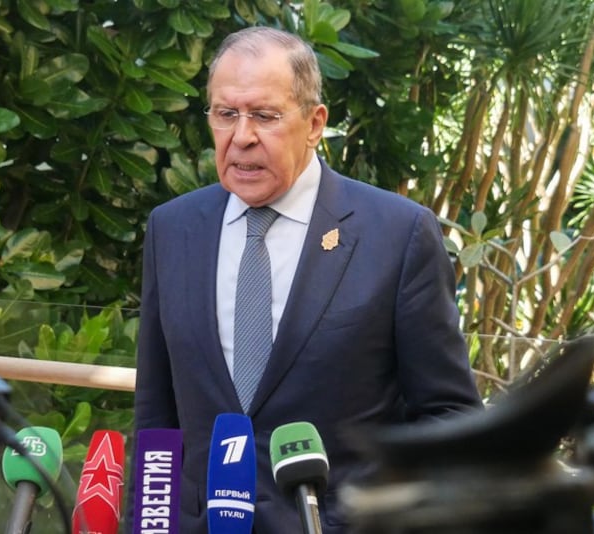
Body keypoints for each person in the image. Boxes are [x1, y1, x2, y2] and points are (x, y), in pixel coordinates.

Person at [126, 26, 482, 533]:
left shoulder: (397, 233)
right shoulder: (174, 227)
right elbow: (157, 419)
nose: (242, 135)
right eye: (226, 114)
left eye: (265, 116)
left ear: (315, 124)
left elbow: (449, 415)